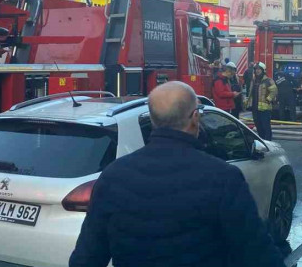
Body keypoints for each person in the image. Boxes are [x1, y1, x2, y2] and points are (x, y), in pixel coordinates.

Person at [69, 82, 283, 267]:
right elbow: (257, 251)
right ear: (195, 118)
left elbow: (87, 257)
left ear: (153, 120)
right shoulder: (223, 177)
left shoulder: (113, 176)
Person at [247, 62, 277, 141]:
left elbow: (274, 91)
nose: (257, 71)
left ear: (263, 70)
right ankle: (262, 140)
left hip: (265, 109)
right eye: (256, 69)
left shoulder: (268, 80)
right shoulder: (253, 81)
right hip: (255, 108)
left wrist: (268, 99)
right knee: (258, 126)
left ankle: (268, 142)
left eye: (259, 69)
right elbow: (250, 93)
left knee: (266, 127)